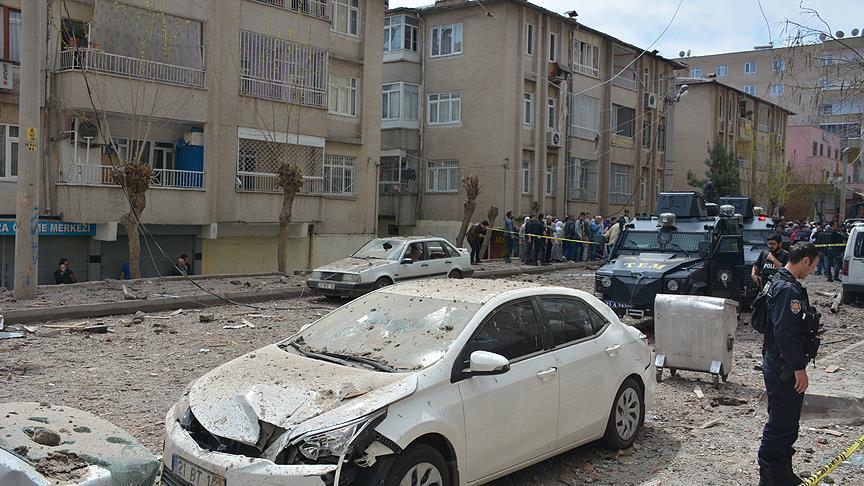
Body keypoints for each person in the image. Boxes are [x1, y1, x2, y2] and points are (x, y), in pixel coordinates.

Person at [758, 242, 821, 485]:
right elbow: (785, 334)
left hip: (778, 363)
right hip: (784, 367)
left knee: (787, 422)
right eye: (813, 266)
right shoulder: (788, 290)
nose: (812, 271)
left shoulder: (778, 281)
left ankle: (782, 473)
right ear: (805, 260)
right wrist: (799, 368)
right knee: (780, 424)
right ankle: (770, 477)